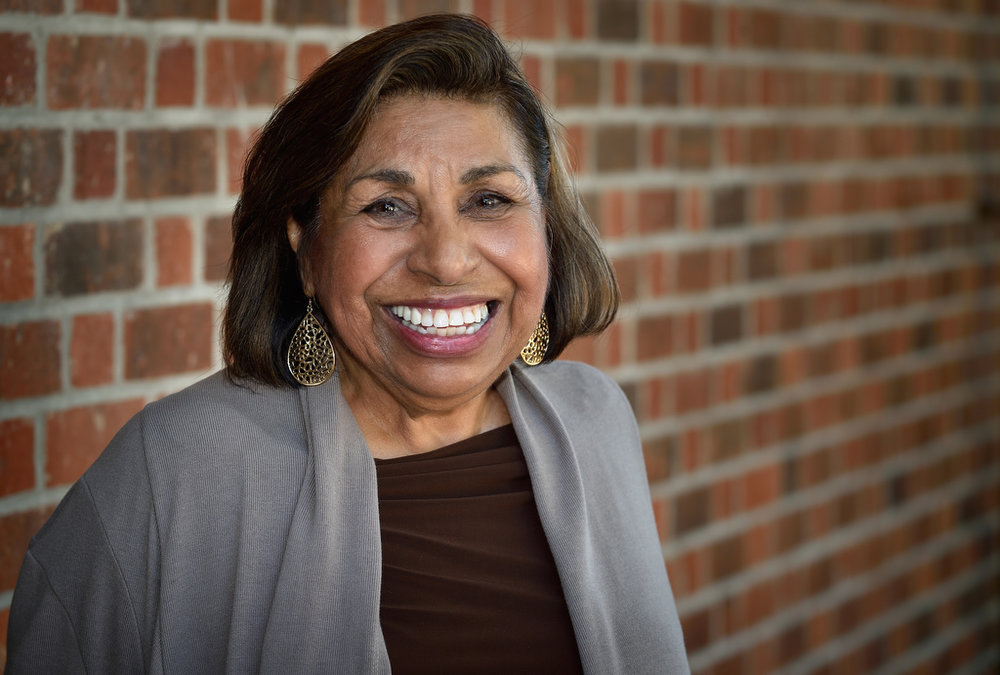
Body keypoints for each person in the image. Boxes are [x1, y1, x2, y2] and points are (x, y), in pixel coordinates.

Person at [6, 14, 688, 674]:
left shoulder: (597, 422)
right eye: (386, 206)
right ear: (305, 248)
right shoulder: (174, 476)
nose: (446, 260)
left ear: (545, 228)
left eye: (489, 200)